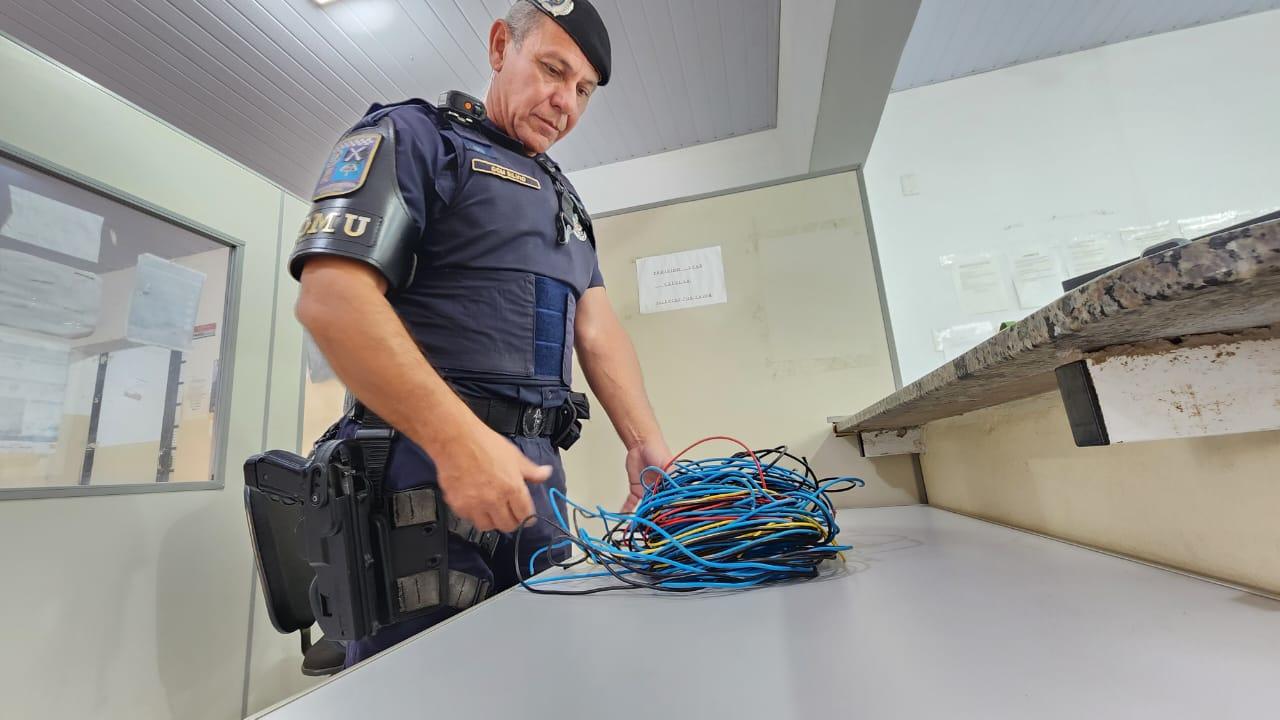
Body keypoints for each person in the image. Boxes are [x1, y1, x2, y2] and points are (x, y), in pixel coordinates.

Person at [290, 0, 670, 666]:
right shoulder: (413, 137)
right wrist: (457, 443)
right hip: (419, 473)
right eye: (553, 70)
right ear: (500, 46)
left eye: (583, 90)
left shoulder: (563, 196)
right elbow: (332, 301)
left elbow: (596, 323)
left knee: (543, 674)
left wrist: (646, 445)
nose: (565, 102)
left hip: (535, 473)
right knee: (416, 688)